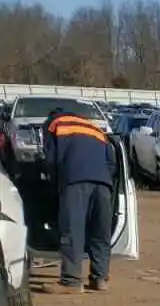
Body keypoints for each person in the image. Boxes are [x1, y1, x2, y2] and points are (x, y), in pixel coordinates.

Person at [41, 107, 118, 293]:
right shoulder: (95, 129)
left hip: (75, 181)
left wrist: (54, 184)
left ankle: (72, 281)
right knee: (100, 232)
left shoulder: (54, 125)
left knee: (73, 230)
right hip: (104, 184)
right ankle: (100, 279)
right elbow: (111, 162)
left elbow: (50, 160)